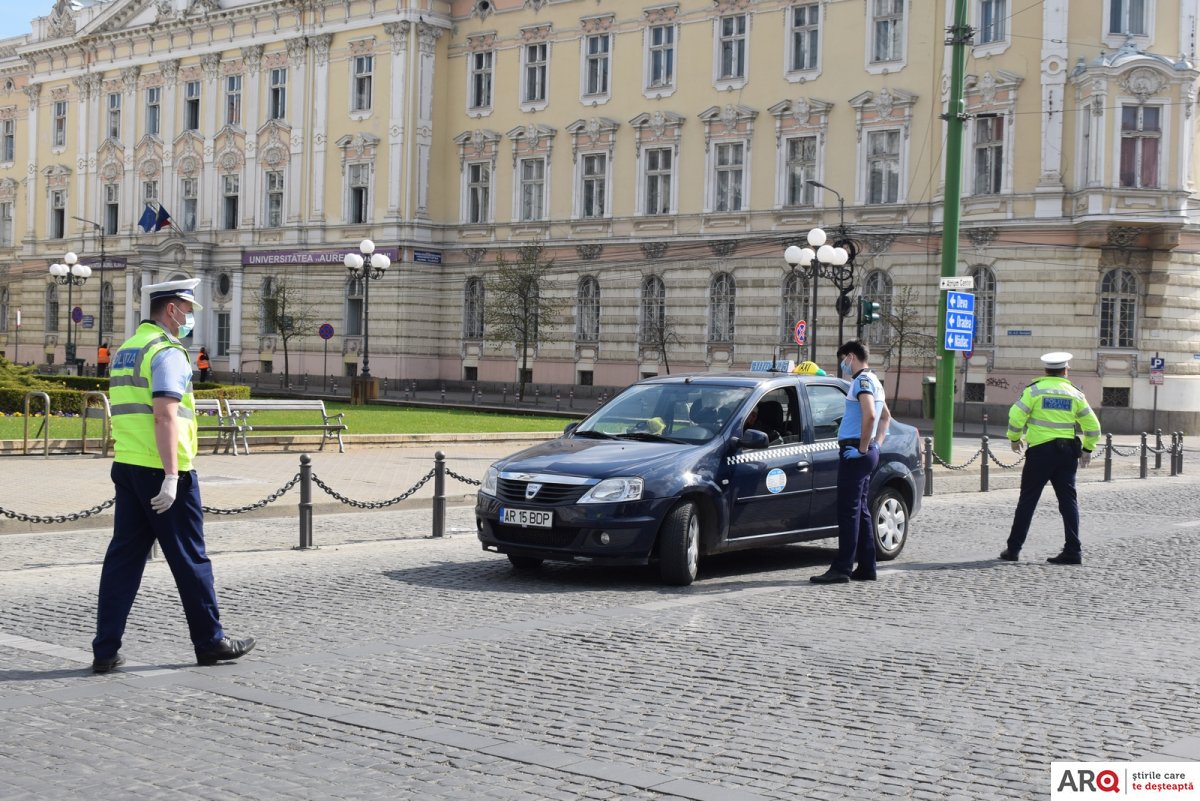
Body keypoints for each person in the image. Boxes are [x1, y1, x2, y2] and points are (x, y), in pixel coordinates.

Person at [91, 278, 255, 673]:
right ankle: (210, 642)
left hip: (128, 464)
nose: (189, 318)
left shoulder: (128, 350)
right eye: (187, 310)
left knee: (123, 561)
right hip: (164, 472)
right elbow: (165, 415)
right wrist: (170, 476)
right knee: (190, 558)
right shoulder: (167, 351)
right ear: (171, 310)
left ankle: (105, 650)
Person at [1000, 352, 1101, 565]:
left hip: (1040, 453)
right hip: (1067, 454)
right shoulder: (1075, 394)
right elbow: (1093, 426)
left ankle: (1013, 549)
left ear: (1046, 370)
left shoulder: (1034, 390)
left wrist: (1014, 438)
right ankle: (1073, 550)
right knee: (1068, 502)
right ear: (1065, 370)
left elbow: (1016, 416)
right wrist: (1088, 448)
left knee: (1028, 500)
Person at [811, 340, 891, 584]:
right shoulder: (875, 380)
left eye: (843, 359)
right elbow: (886, 418)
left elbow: (871, 415)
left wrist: (863, 449)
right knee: (861, 510)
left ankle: (842, 568)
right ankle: (867, 566)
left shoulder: (862, 381)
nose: (843, 365)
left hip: (855, 451)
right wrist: (876, 445)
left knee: (848, 511)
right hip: (865, 451)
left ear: (851, 357)